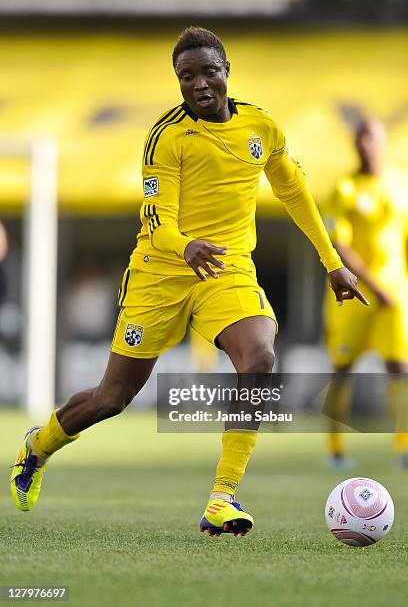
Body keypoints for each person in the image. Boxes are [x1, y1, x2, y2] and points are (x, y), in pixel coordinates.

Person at [10, 27, 365, 537]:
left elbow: (294, 192)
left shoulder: (261, 128)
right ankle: (38, 445)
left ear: (227, 71)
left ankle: (223, 497)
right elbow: (160, 220)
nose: (199, 84)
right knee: (113, 397)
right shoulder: (167, 136)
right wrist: (185, 246)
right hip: (162, 272)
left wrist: (332, 261)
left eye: (208, 72)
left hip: (227, 269)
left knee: (260, 356)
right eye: (186, 76)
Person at [323, 119, 408, 468]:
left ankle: (404, 449)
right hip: (353, 295)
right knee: (342, 370)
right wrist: (375, 286)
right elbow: (339, 244)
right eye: (360, 139)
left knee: (400, 369)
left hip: (395, 296)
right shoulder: (343, 189)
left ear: (383, 142)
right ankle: (335, 450)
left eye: (371, 138)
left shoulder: (401, 184)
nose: (365, 145)